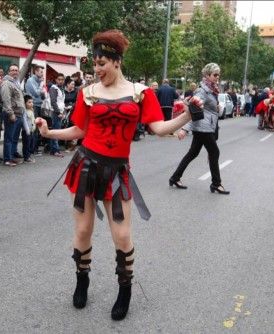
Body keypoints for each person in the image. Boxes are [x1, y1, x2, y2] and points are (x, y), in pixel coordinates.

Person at [35, 29, 201, 321]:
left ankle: (125, 290)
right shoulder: (88, 93)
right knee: (83, 231)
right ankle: (81, 279)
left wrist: (188, 115)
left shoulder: (140, 93)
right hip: (86, 166)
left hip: (116, 172)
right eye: (94, 65)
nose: (97, 70)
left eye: (102, 64)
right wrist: (49, 133)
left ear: (116, 61)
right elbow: (79, 131)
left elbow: (159, 128)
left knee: (122, 236)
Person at [169, 63, 230, 195]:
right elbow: (193, 110)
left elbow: (208, 110)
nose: (217, 77)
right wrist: (185, 129)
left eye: (218, 74)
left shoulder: (212, 89)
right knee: (214, 152)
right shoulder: (202, 91)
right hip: (203, 127)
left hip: (207, 126)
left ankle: (175, 178)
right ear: (207, 75)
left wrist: (216, 109)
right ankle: (216, 183)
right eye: (215, 74)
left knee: (193, 153)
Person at [1, 64, 25, 166]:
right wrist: (11, 114)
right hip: (12, 114)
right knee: (9, 138)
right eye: (12, 70)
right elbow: (6, 100)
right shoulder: (7, 83)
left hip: (19, 114)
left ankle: (11, 157)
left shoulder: (16, 83)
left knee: (14, 138)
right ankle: (7, 159)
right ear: (9, 72)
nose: (15, 72)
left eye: (16, 70)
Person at [48, 72, 65, 157]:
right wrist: (58, 112)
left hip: (59, 112)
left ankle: (53, 150)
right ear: (56, 80)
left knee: (56, 131)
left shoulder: (61, 88)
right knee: (56, 131)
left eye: (62, 80)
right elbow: (53, 102)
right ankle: (55, 150)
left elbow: (60, 101)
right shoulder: (53, 88)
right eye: (59, 79)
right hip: (55, 112)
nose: (61, 81)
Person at [22, 95, 36, 163]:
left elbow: (33, 120)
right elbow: (24, 121)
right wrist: (27, 130)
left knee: (31, 144)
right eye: (29, 102)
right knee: (26, 144)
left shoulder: (31, 110)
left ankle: (29, 155)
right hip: (26, 131)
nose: (31, 104)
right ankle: (26, 157)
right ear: (25, 103)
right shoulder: (24, 111)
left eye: (32, 102)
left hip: (32, 130)